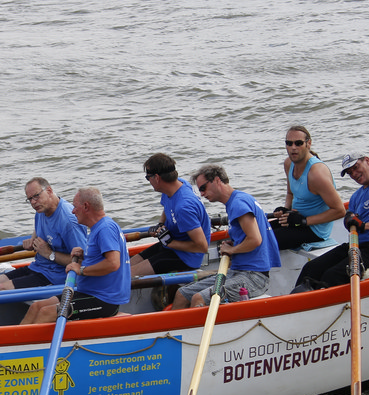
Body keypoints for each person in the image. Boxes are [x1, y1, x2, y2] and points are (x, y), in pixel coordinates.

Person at [0, 177, 87, 323]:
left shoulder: (68, 220)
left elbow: (81, 262)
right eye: (29, 199)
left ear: (49, 190)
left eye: (36, 196)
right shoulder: (41, 210)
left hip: (55, 277)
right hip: (38, 267)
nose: (33, 202)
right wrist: (32, 239)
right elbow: (39, 231)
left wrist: (50, 254)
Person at [173, 165, 280, 308]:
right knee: (182, 294)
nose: (202, 194)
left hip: (254, 276)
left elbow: (255, 239)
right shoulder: (238, 200)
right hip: (237, 271)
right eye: (200, 190)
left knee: (199, 299)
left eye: (203, 188)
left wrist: (232, 250)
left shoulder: (238, 203)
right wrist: (235, 244)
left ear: (217, 180)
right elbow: (250, 236)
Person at [294, 154, 369, 291]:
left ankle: (321, 300)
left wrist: (364, 225)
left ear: (367, 161)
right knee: (311, 268)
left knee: (332, 276)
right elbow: (351, 219)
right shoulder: (356, 196)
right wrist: (348, 219)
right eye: (350, 172)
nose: (354, 174)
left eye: (356, 167)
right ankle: (296, 300)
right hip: (356, 245)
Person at [23, 187, 130, 324]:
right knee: (36, 307)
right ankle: (14, 338)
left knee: (46, 312)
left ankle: (29, 339)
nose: (73, 211)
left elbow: (113, 263)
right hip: (88, 292)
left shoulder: (105, 228)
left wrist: (81, 270)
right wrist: (84, 255)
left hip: (103, 299)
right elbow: (102, 257)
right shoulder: (99, 227)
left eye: (75, 207)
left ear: (86, 206)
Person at [130, 153, 211, 278]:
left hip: (187, 257)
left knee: (128, 275)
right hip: (171, 246)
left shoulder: (183, 208)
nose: (148, 181)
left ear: (157, 178)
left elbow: (202, 247)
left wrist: (170, 242)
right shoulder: (176, 185)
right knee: (127, 265)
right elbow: (167, 206)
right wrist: (161, 224)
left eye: (148, 178)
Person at [270, 125, 345, 250]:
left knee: (264, 241)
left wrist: (304, 221)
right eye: (289, 143)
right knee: (255, 232)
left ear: (308, 143)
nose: (293, 147)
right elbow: (290, 193)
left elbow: (340, 211)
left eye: (298, 143)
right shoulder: (288, 163)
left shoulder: (317, 174)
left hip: (315, 229)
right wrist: (286, 208)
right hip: (295, 221)